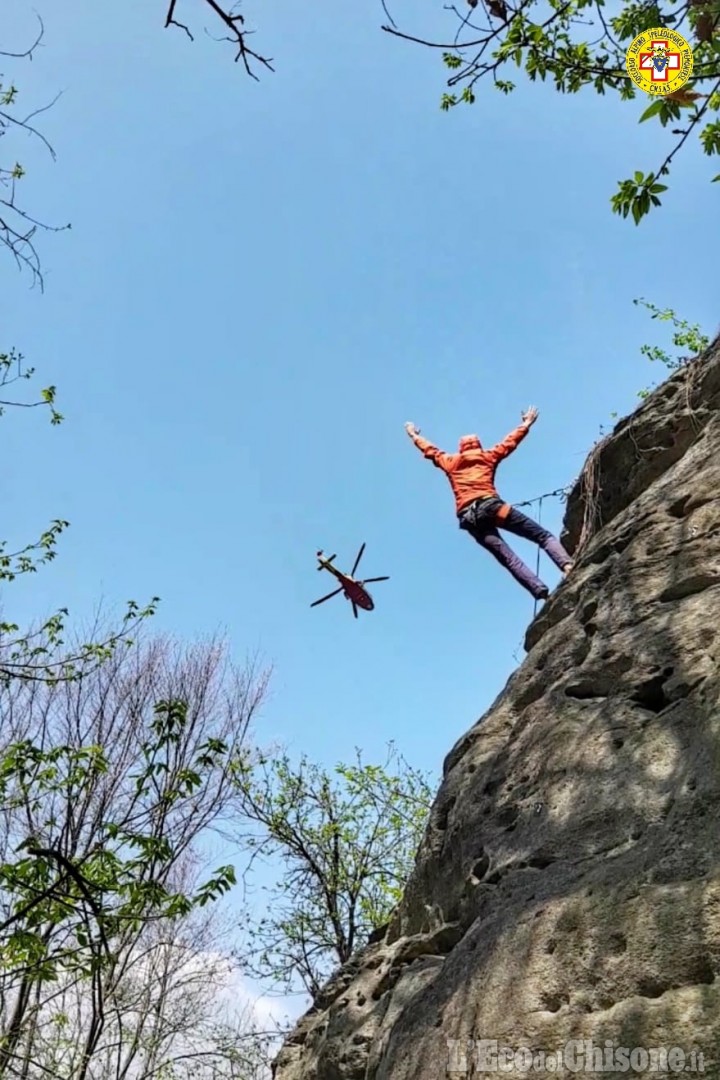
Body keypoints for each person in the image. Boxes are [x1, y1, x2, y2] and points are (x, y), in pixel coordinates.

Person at [404, 407, 573, 601]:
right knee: (542, 536)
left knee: (507, 558)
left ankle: (539, 591)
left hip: (469, 518)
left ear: (461, 448)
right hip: (492, 506)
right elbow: (509, 443)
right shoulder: (487, 456)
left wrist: (413, 435)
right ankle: (567, 566)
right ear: (478, 445)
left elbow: (430, 451)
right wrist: (526, 423)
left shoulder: (450, 461)